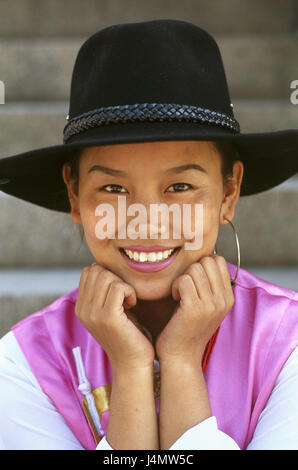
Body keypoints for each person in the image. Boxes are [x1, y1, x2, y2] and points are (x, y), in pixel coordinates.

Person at [0, 19, 297, 451]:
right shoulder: (25, 363)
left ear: (229, 192)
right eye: (114, 189)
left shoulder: (286, 342)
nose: (146, 221)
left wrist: (179, 361)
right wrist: (131, 366)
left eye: (179, 187)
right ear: (74, 194)